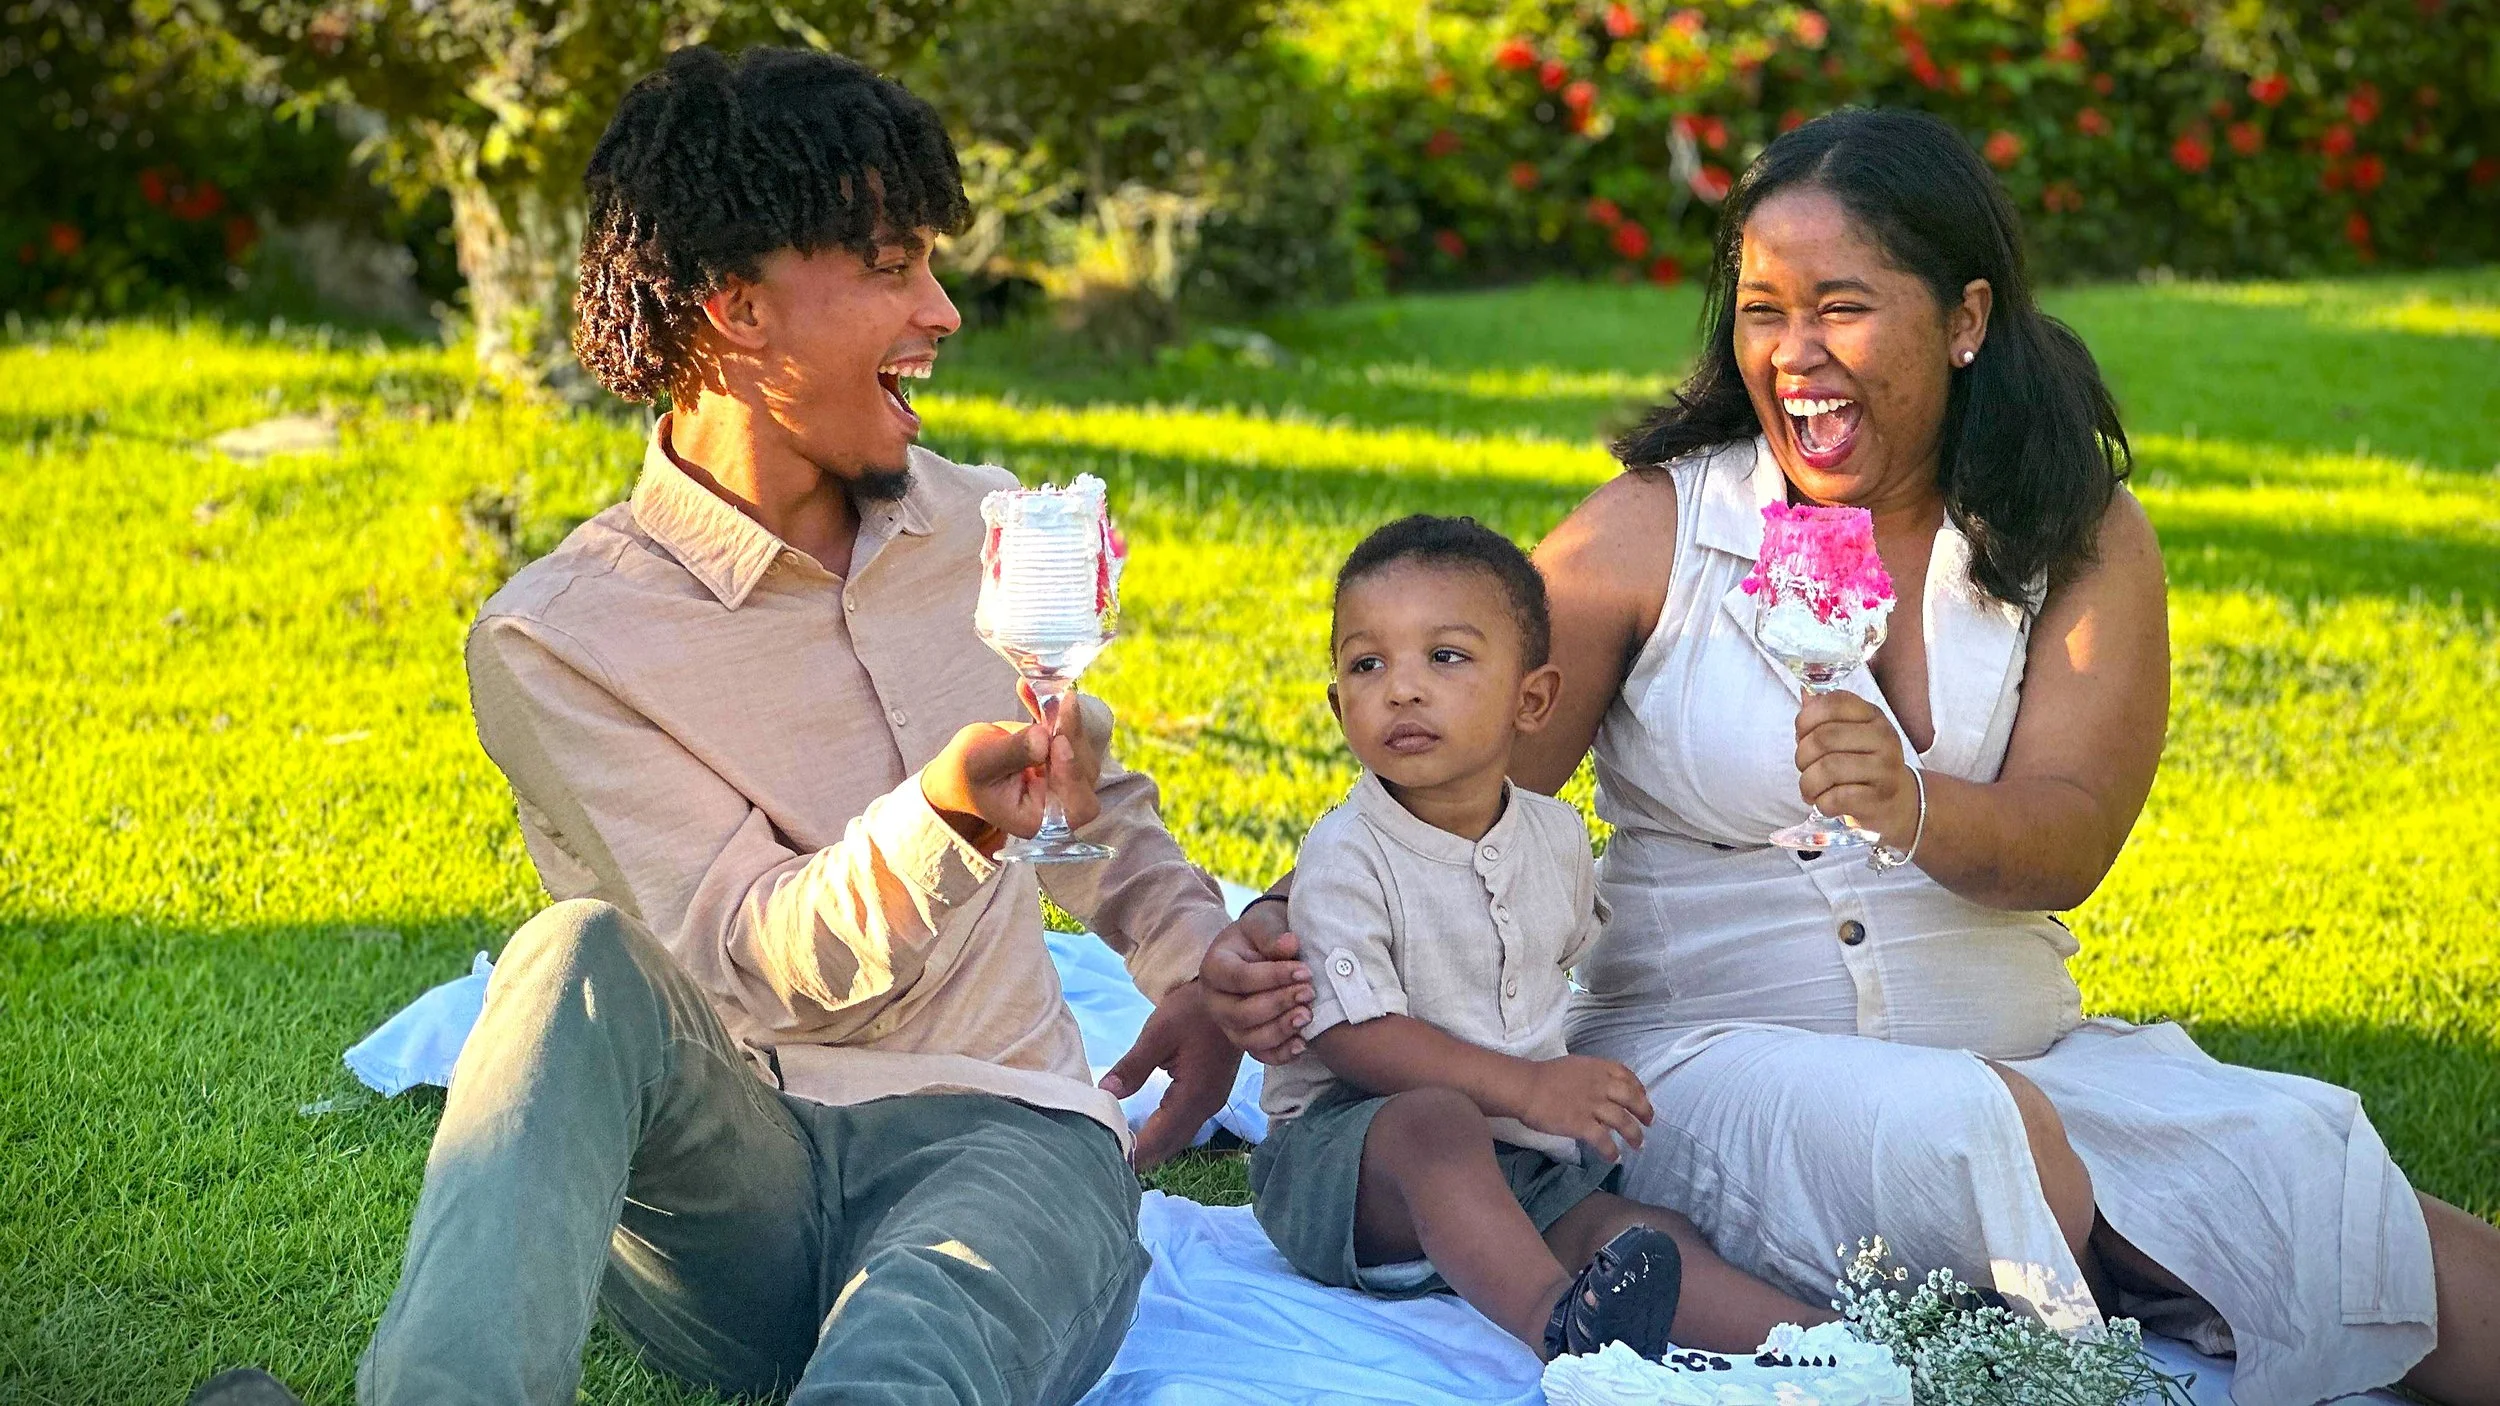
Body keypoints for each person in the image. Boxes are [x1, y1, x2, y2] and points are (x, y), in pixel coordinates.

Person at [1203, 108, 2500, 1405]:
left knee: (2307, 1156)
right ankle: (2112, 1286)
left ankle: (2131, 1271)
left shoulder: (2081, 531)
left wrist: (1913, 803)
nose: (1794, 355)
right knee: (1972, 1139)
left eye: (1841, 307)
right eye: (1762, 312)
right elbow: (1441, 777)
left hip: (2025, 1056)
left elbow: (2070, 835)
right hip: (1700, 1061)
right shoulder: (1655, 530)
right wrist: (1266, 938)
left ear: (1965, 317)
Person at [197, 45, 1253, 1406]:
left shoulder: (984, 524)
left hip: (1004, 1139)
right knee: (573, 954)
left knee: (902, 1368)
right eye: (890, 264)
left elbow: (1087, 798)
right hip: (729, 1191)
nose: (940, 309)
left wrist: (1194, 953)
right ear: (736, 307)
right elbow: (746, 963)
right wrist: (942, 818)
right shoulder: (557, 639)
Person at [1247, 516, 1828, 1363]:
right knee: (1435, 1126)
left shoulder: (1555, 838)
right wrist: (1527, 1087)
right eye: (1367, 665)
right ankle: (1557, 1323)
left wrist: (1557, 1095)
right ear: (1339, 705)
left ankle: (1837, 1344)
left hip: (1516, 1158)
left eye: (1444, 656)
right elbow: (1352, 1037)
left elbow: (1552, 974)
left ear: (1532, 700)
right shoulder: (1345, 853)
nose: (1401, 689)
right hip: (1349, 1166)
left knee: (1635, 1230)